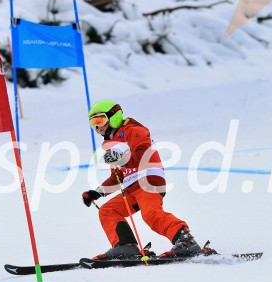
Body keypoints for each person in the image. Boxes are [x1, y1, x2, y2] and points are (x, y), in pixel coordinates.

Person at [81, 99, 201, 259]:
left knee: (150, 214)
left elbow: (143, 155)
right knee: (108, 211)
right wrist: (97, 193)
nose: (97, 127)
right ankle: (125, 246)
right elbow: (118, 177)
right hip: (132, 188)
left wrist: (121, 159)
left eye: (100, 120)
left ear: (113, 116)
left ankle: (186, 241)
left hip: (148, 180)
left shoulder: (134, 130)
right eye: (93, 123)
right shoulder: (111, 144)